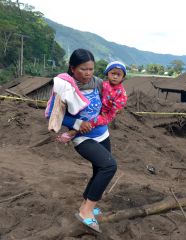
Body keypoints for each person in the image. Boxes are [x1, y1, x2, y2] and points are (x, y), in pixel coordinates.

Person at [45, 49, 117, 233]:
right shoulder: (64, 88)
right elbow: (54, 116)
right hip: (82, 137)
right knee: (109, 166)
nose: (88, 73)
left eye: (91, 69)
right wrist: (77, 122)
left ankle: (87, 204)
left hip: (102, 134)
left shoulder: (98, 84)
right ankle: (86, 212)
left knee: (99, 169)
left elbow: (110, 99)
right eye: (83, 69)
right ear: (72, 68)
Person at [56, 61, 128, 143]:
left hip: (108, 113)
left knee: (95, 120)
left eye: (118, 75)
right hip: (101, 109)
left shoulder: (120, 91)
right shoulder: (102, 84)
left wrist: (108, 112)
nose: (115, 77)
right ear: (107, 73)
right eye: (113, 73)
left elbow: (118, 106)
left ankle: (74, 132)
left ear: (123, 77)